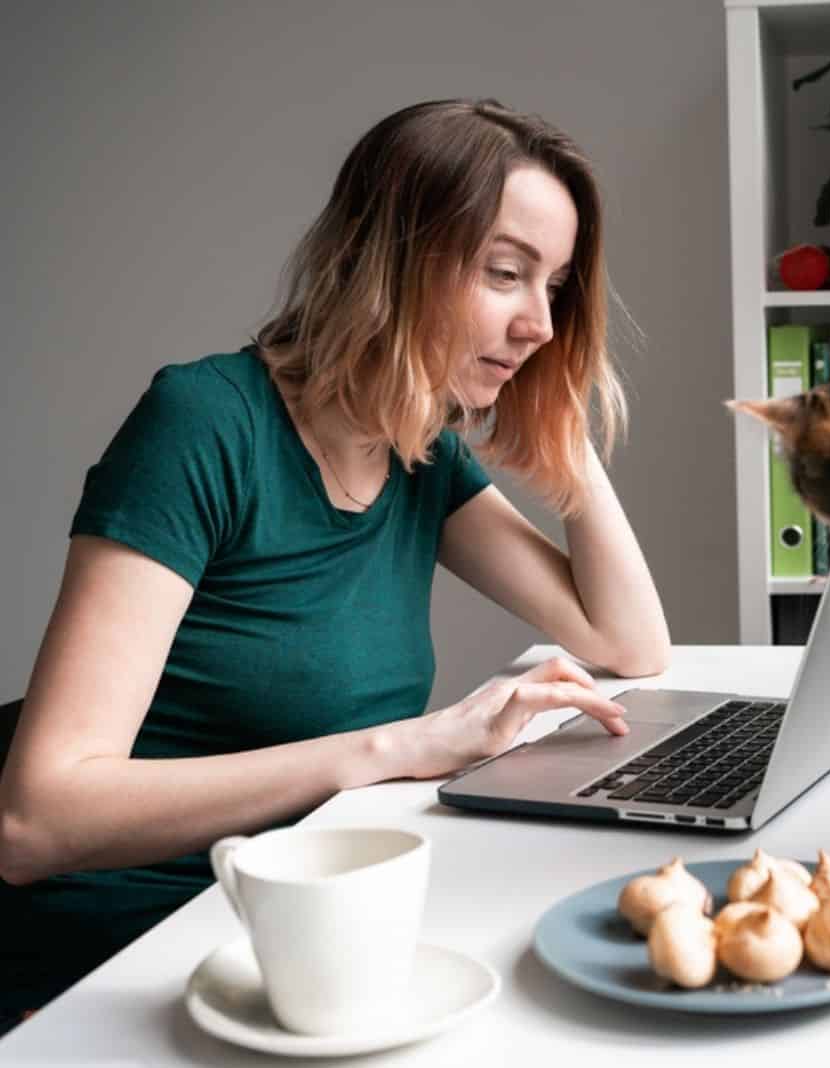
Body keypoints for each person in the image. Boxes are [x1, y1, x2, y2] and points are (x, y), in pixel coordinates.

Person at [0, 98, 672, 1029]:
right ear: (392, 259)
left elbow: (628, 642)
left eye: (553, 287)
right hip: (131, 954)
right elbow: (37, 820)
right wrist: (396, 750)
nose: (540, 325)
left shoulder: (418, 449)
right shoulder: (204, 425)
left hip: (311, 923)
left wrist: (563, 434)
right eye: (507, 274)